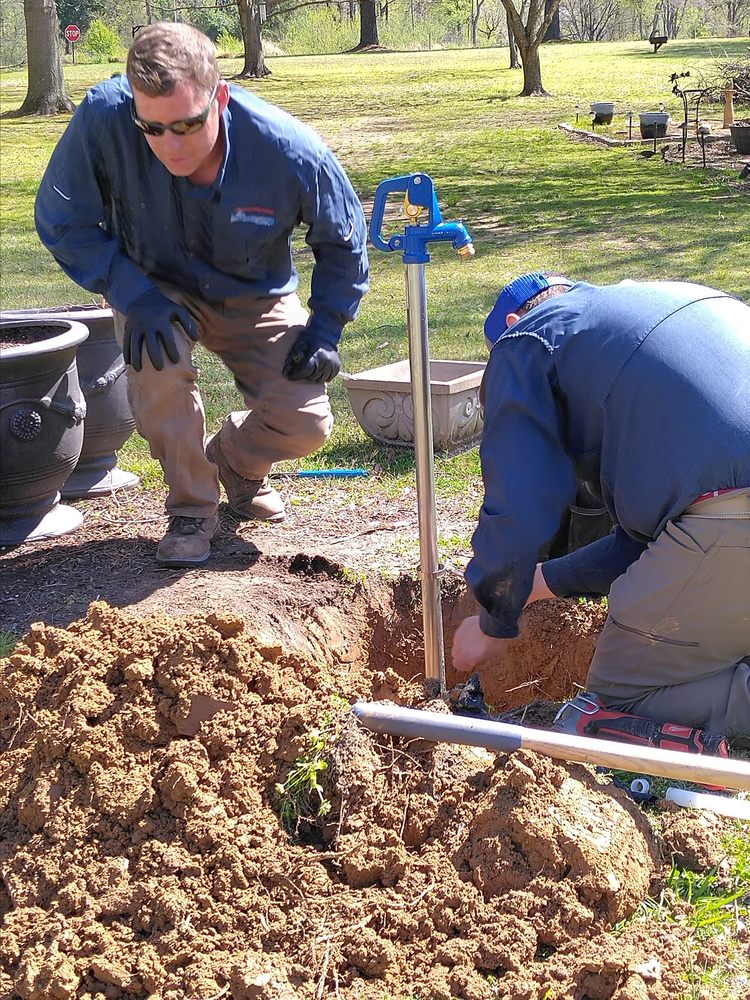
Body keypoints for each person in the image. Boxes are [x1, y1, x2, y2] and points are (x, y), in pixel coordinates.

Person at [35, 22, 368, 568]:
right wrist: (132, 294)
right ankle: (192, 506)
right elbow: (61, 218)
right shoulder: (103, 116)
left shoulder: (287, 149)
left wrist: (327, 324)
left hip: (255, 293)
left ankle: (234, 462)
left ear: (220, 95)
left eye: (187, 125)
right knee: (157, 369)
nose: (170, 145)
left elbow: (344, 240)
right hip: (153, 287)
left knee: (306, 422)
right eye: (153, 128)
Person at [452, 272, 750, 743]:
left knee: (614, 701)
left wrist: (493, 618)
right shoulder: (643, 311)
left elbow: (520, 504)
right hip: (725, 507)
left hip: (731, 511)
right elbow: (648, 547)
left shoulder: (527, 338)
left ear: (511, 323)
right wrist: (533, 587)